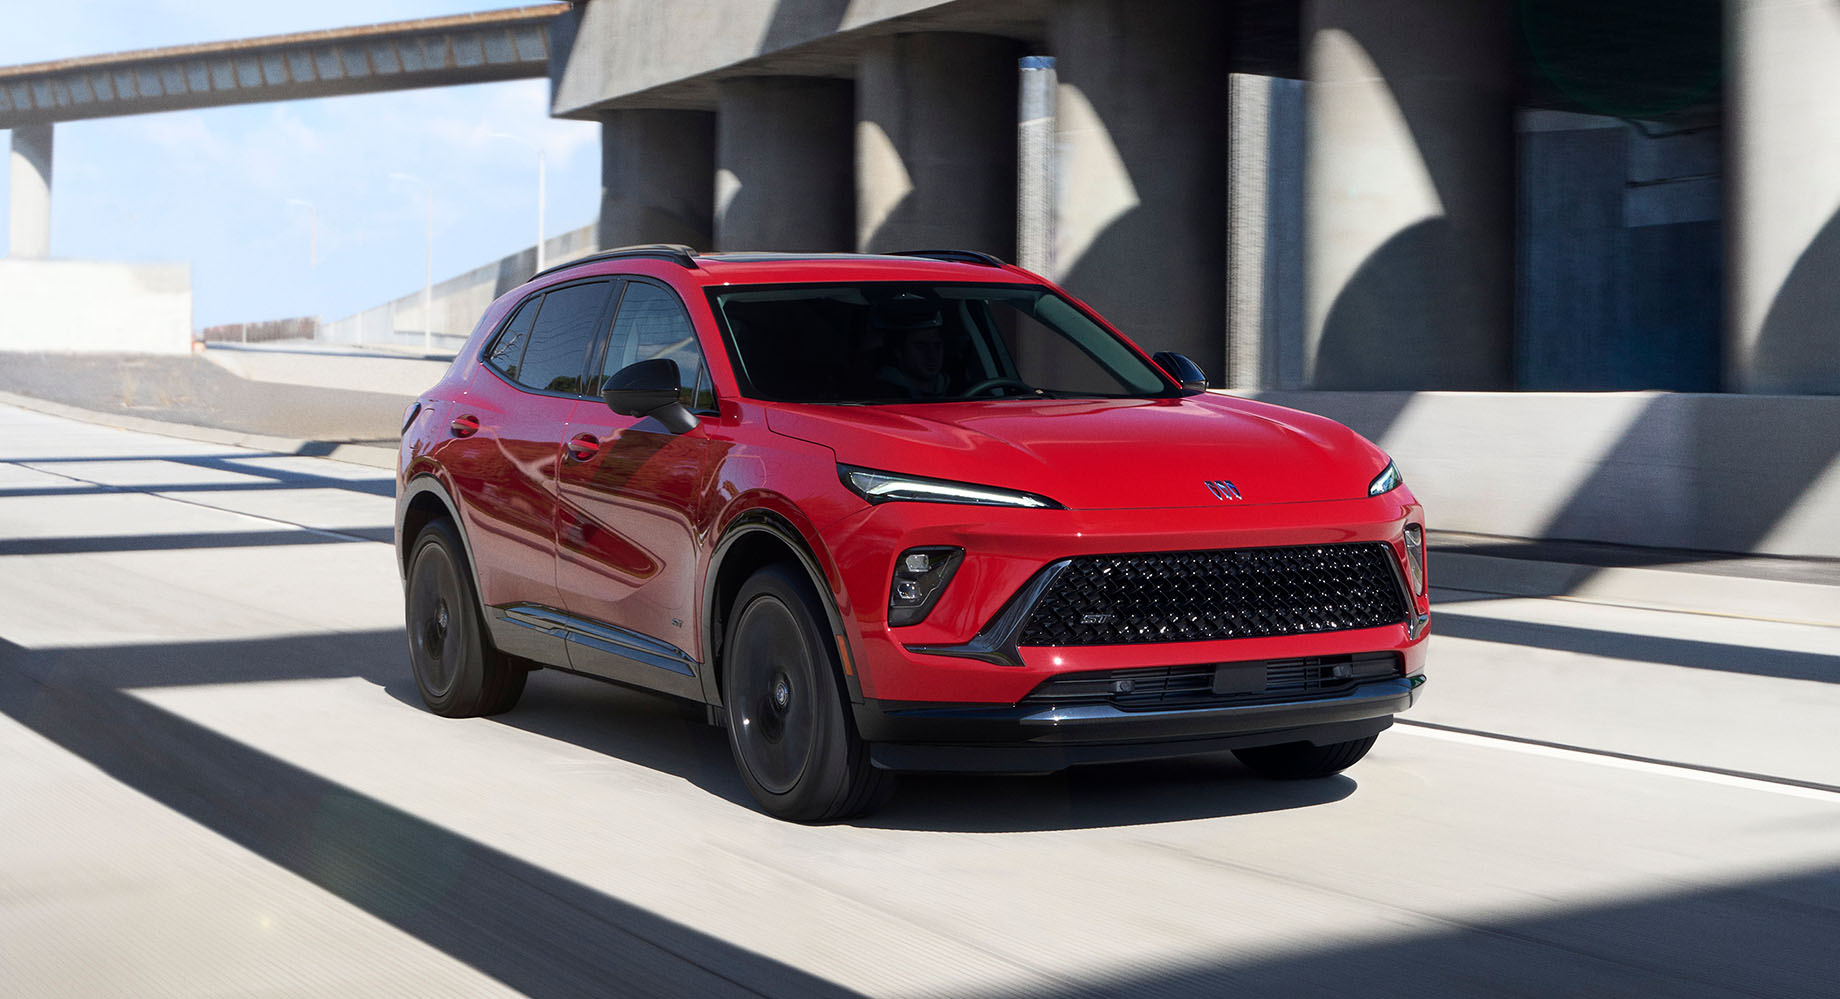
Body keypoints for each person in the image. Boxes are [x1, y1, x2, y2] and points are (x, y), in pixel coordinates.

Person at [869, 293, 951, 399]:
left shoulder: (961, 389)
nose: (932, 355)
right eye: (920, 347)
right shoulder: (879, 396)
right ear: (898, 351)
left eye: (937, 346)